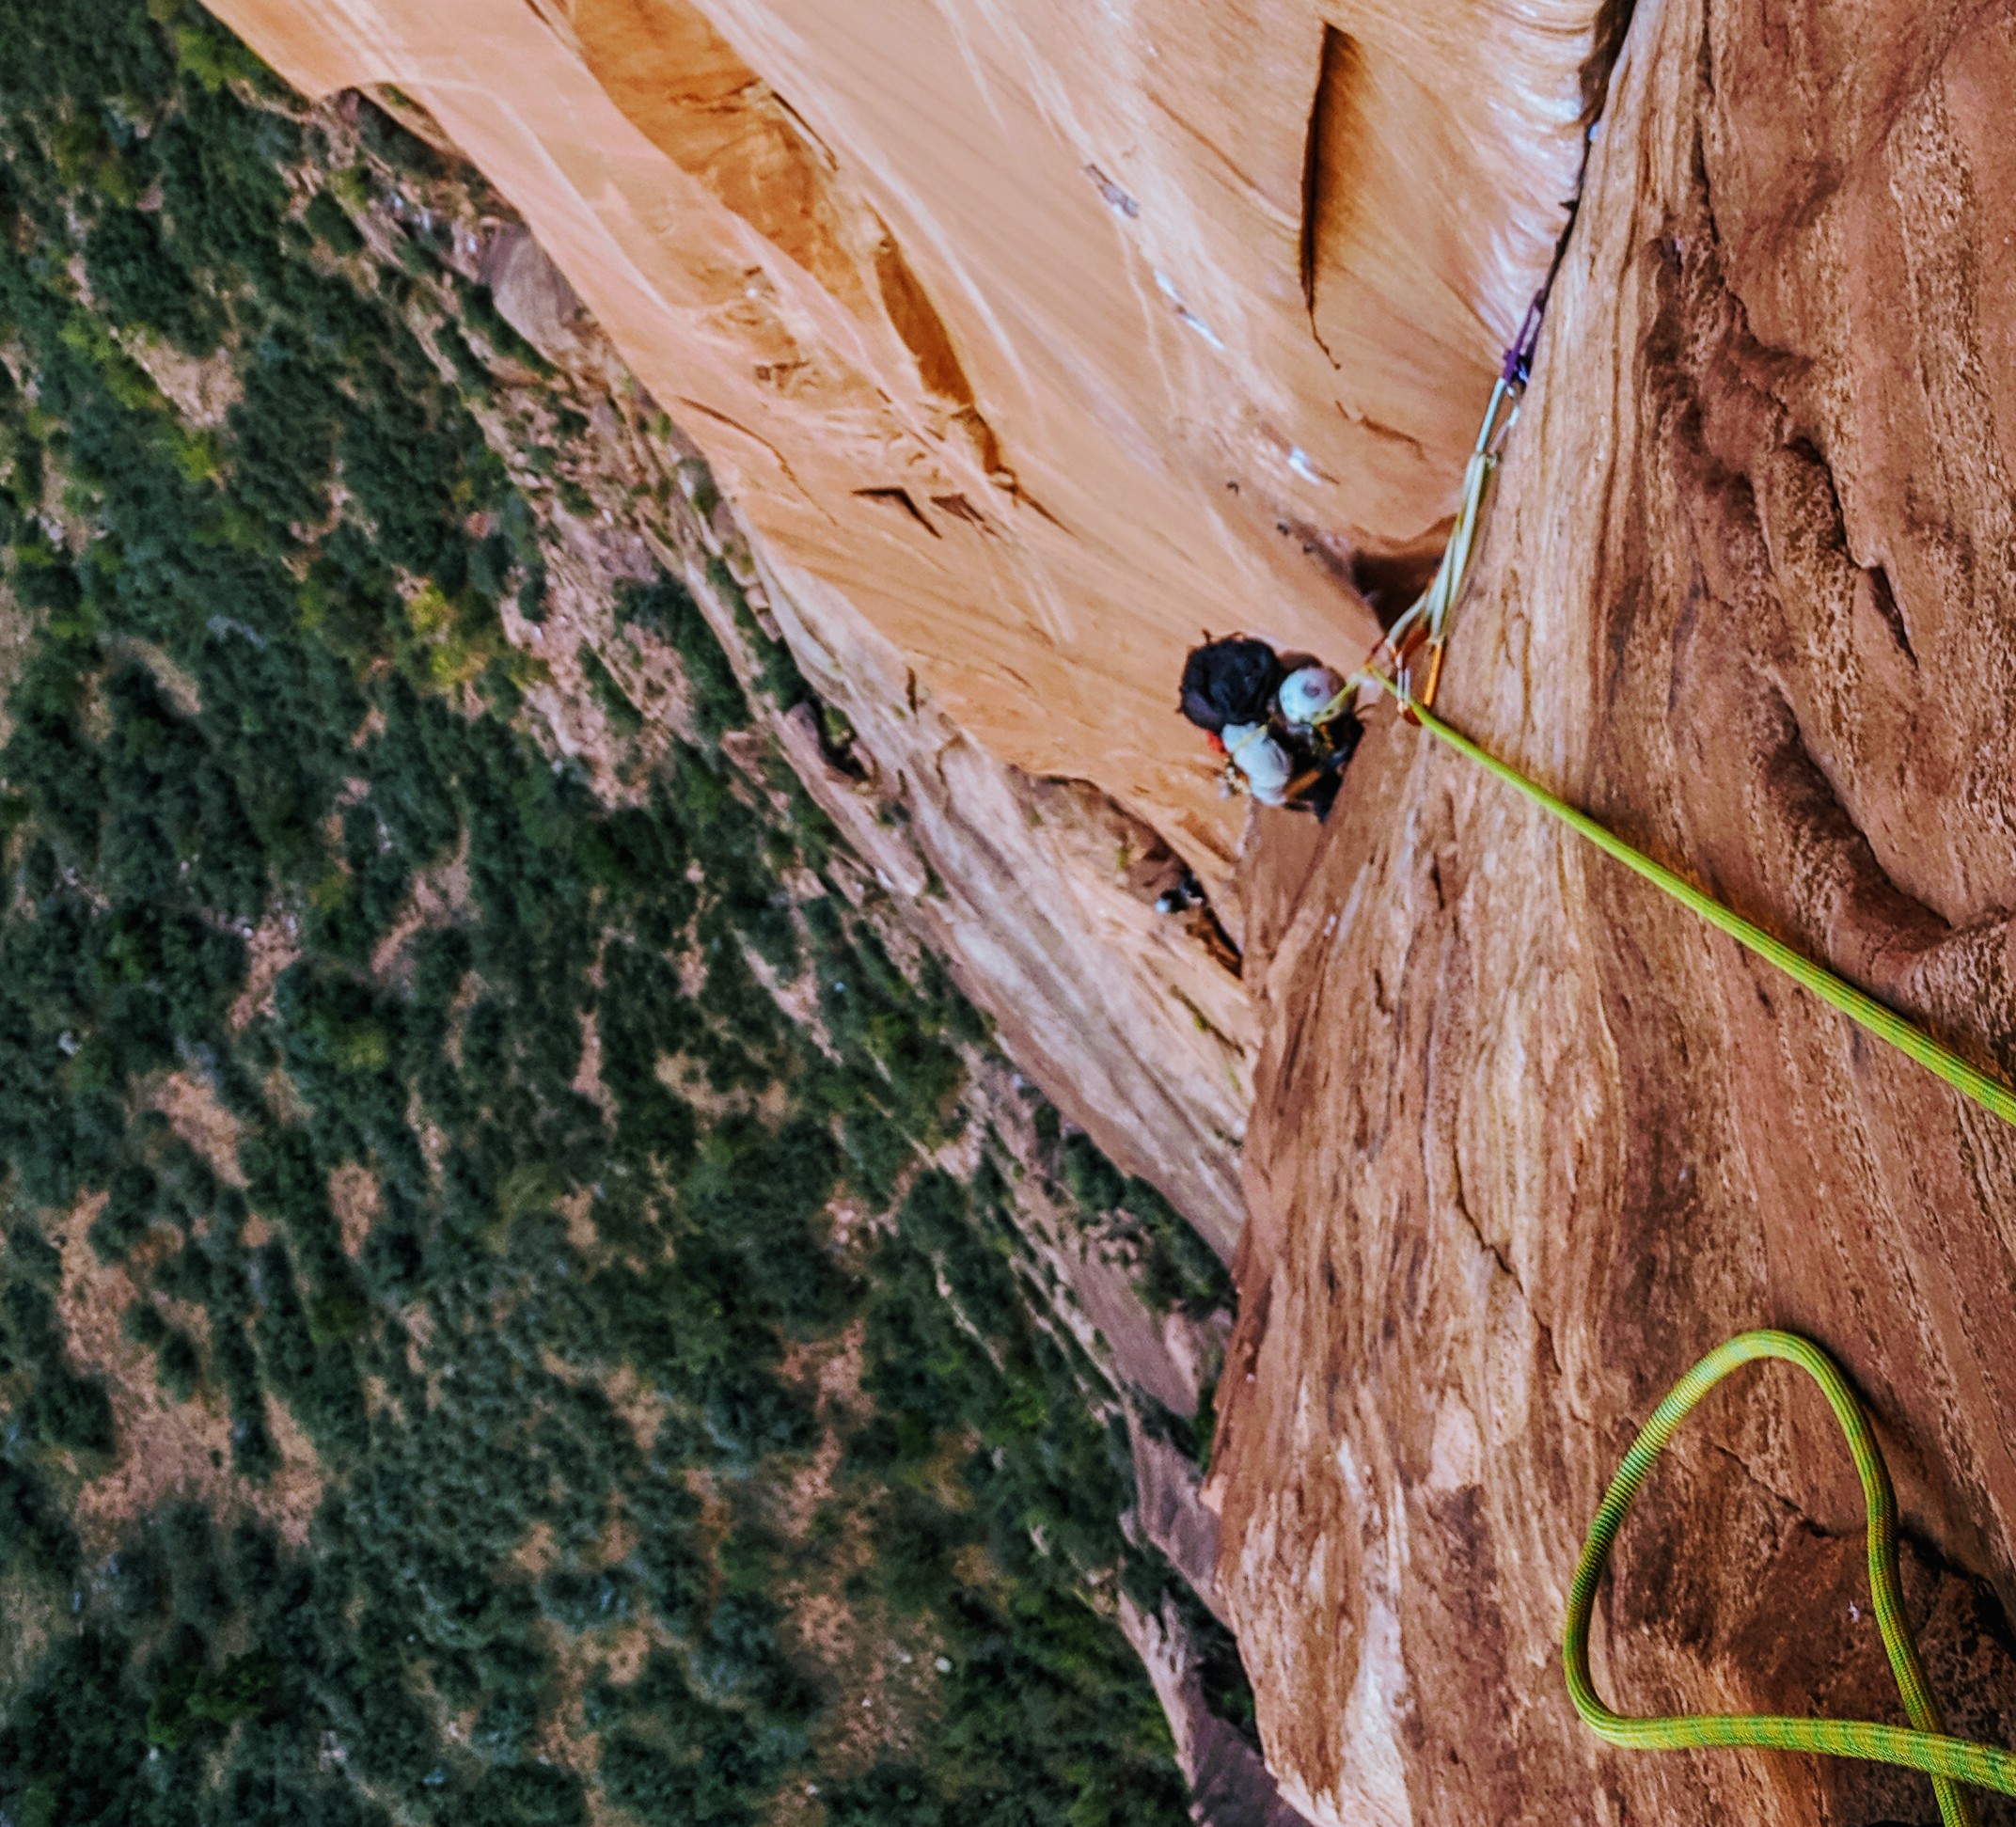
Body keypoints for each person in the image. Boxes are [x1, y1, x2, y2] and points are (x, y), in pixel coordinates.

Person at [1178, 634, 1362, 816]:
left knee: (1346, 735)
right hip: (1275, 754)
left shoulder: (1301, 664)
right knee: (1325, 790)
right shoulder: (1264, 757)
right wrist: (1324, 766)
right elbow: (1279, 795)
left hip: (1290, 728)